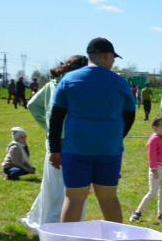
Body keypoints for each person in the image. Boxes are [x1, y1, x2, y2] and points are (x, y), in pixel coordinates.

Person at [48, 38, 136, 222]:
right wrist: (116, 137)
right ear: (106, 55)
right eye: (113, 58)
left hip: (76, 149)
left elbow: (56, 118)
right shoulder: (120, 83)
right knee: (109, 198)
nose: (113, 62)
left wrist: (55, 149)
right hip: (109, 150)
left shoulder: (69, 79)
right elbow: (130, 115)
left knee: (73, 199)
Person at [20, 55, 89, 229]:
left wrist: (49, 127)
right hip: (69, 144)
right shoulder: (74, 86)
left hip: (54, 142)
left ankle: (43, 221)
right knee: (65, 191)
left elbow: (33, 105)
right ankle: (55, 228)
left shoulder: (53, 83)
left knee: (51, 188)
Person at [130, 115, 162, 223]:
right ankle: (138, 212)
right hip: (157, 170)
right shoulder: (154, 140)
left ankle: (161, 213)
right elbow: (152, 155)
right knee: (152, 193)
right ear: (155, 128)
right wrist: (154, 170)